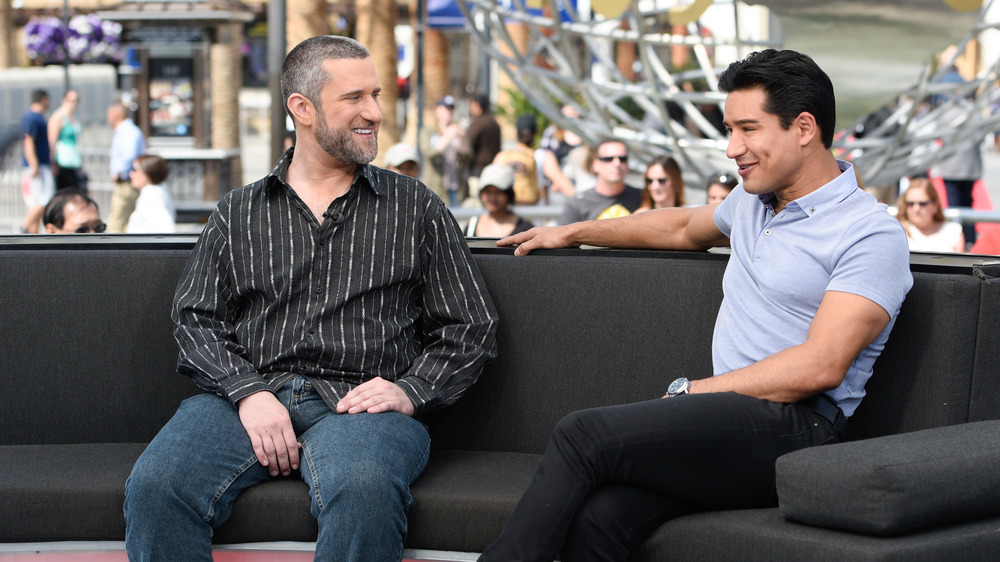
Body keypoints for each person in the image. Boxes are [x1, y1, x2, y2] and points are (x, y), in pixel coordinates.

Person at [480, 49, 913, 561]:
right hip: (727, 425)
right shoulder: (752, 203)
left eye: (747, 129)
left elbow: (821, 365)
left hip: (799, 430)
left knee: (584, 435)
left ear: (803, 127)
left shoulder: (870, 233)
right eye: (729, 129)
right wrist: (572, 231)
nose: (732, 148)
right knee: (600, 519)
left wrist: (693, 391)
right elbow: (681, 227)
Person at [123, 36, 498, 561]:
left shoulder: (415, 207)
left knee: (364, 492)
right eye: (355, 98)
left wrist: (411, 390)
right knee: (157, 487)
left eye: (375, 94)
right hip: (248, 397)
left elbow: (471, 327)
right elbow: (194, 319)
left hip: (362, 411)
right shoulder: (239, 211)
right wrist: (247, 393)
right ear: (301, 108)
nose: (375, 112)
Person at [558, 139, 642, 224]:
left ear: (628, 164)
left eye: (622, 159)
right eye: (609, 159)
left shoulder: (643, 197)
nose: (617, 163)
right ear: (596, 165)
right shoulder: (577, 203)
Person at [896, 177, 965, 253]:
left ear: (935, 205)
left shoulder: (953, 231)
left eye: (922, 204)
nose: (916, 209)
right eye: (910, 204)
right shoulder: (897, 231)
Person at [107, 102, 146, 233]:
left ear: (114, 115)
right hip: (128, 181)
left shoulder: (127, 131)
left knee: (116, 223)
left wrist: (118, 172)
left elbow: (130, 155)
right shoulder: (128, 130)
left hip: (127, 182)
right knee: (127, 223)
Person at [465, 164, 534, 237]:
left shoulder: (525, 230)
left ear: (509, 194)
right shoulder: (470, 228)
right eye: (488, 192)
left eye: (498, 192)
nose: (492, 197)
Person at [20, 89, 54, 234]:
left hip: (40, 165)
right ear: (44, 99)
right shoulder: (32, 117)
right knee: (44, 200)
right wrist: (34, 164)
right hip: (37, 166)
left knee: (38, 202)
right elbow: (28, 141)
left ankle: (32, 235)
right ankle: (23, 229)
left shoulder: (38, 117)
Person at [425, 95, 469, 206]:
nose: (449, 112)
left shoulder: (457, 129)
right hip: (436, 186)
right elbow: (430, 153)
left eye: (451, 109)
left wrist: (462, 139)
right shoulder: (429, 131)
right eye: (446, 109)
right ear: (437, 110)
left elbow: (468, 157)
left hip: (456, 186)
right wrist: (447, 136)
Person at [493, 114, 540, 205]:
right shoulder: (538, 155)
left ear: (516, 132)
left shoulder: (502, 156)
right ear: (536, 132)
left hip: (505, 209)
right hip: (531, 209)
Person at [463, 92, 502, 199]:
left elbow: (468, 145)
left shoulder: (478, 123)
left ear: (477, 105)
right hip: (493, 168)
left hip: (478, 171)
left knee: (477, 201)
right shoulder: (494, 123)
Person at [126, 154, 176, 234]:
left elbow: (166, 229)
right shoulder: (156, 191)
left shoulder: (151, 195)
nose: (131, 174)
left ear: (147, 172)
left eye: (135, 169)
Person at [47, 89, 86, 193]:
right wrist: (53, 162)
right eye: (71, 100)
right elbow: (52, 141)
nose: (74, 104)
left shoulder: (74, 118)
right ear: (64, 100)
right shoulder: (58, 117)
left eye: (76, 101)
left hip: (75, 162)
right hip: (63, 162)